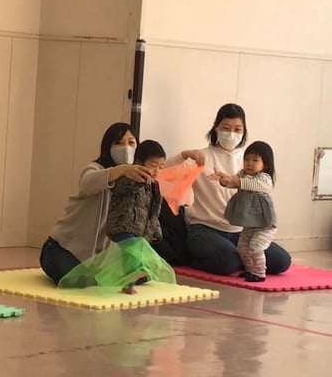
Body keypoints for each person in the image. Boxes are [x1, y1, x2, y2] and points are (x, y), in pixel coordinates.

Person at [166, 103, 290, 275]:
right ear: (216, 128)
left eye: (238, 129)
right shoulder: (200, 157)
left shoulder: (249, 160)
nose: (232, 133)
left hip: (242, 232)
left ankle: (239, 258)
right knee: (228, 261)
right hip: (205, 229)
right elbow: (165, 173)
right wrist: (183, 155)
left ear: (244, 132)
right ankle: (200, 257)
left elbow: (263, 185)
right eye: (226, 128)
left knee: (281, 261)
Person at [39, 122, 153, 284]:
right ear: (108, 147)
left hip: (100, 260)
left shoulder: (135, 179)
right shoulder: (95, 169)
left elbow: (161, 168)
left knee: (144, 274)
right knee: (77, 279)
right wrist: (121, 170)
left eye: (131, 142)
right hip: (62, 249)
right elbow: (87, 183)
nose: (126, 148)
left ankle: (101, 275)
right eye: (119, 143)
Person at [105, 139, 176, 293]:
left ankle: (130, 277)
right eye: (153, 165)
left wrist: (156, 230)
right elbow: (120, 188)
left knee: (146, 265)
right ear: (138, 162)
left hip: (140, 230)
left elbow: (154, 211)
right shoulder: (128, 177)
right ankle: (128, 284)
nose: (156, 170)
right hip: (123, 225)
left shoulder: (154, 186)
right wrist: (137, 178)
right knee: (132, 256)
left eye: (161, 167)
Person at [218, 141, 277, 282]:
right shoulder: (242, 174)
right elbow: (234, 181)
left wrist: (237, 182)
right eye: (247, 159)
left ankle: (259, 273)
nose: (250, 163)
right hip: (249, 225)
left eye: (255, 160)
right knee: (243, 248)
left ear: (266, 164)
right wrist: (225, 181)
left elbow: (250, 184)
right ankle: (250, 270)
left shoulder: (264, 179)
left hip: (265, 225)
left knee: (256, 247)